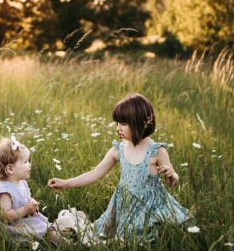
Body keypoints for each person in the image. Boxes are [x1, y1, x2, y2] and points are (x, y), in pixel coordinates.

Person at [48, 93, 191, 241]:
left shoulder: (157, 151)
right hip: (125, 206)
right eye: (117, 123)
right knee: (109, 235)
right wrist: (65, 183)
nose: (118, 128)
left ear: (140, 122)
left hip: (150, 206)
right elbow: (95, 173)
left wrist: (171, 176)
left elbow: (172, 182)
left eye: (123, 124)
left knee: (148, 235)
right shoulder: (118, 150)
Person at [0, 136, 62, 244]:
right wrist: (25, 209)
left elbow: (22, 199)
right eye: (26, 162)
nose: (30, 164)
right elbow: (5, 216)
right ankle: (61, 241)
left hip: (23, 218)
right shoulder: (4, 191)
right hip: (13, 225)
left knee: (47, 225)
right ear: (10, 169)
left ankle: (57, 232)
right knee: (44, 230)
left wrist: (30, 202)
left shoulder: (21, 182)